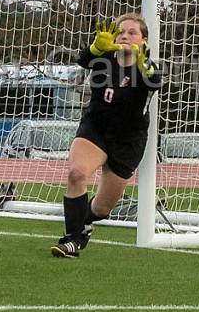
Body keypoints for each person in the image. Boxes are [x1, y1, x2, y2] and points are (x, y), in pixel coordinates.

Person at [50, 13, 163, 258]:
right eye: (121, 31)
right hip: (96, 130)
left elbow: (155, 81)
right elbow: (83, 59)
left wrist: (144, 69)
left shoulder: (147, 66)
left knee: (102, 208)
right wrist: (93, 47)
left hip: (128, 141)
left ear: (143, 40)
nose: (125, 36)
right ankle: (72, 239)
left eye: (132, 32)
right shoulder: (103, 57)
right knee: (76, 174)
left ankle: (85, 223)